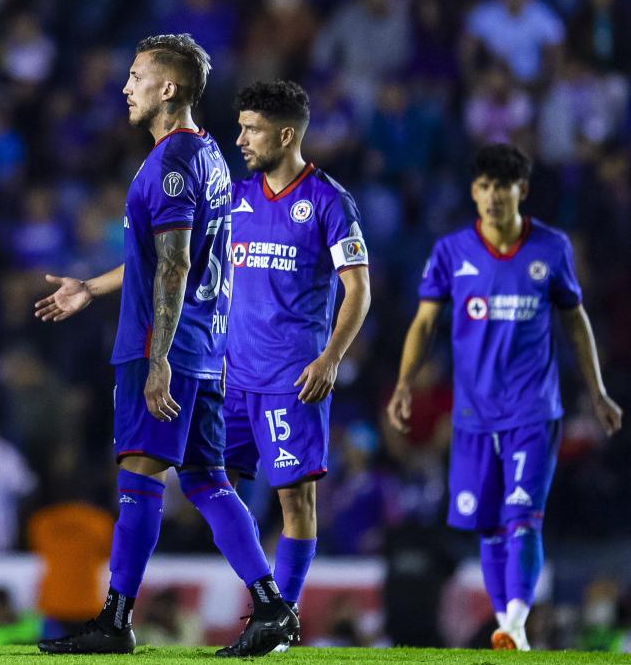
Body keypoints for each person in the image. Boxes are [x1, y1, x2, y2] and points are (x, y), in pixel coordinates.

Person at [33, 34, 298, 657]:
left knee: (140, 475)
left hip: (167, 346)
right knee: (208, 480)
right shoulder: (209, 157)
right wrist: (91, 289)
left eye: (136, 76)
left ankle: (116, 619)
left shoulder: (171, 163)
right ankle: (271, 606)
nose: (126, 86)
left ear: (168, 89)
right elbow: (158, 256)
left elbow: (174, 266)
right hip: (206, 348)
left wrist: (156, 361)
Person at [387, 142, 623, 651]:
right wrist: (405, 383)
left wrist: (597, 391)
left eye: (504, 187)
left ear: (523, 191)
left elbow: (576, 322)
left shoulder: (551, 249)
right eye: (486, 187)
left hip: (533, 411)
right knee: (489, 528)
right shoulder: (451, 251)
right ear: (474, 192)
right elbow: (425, 322)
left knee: (522, 518)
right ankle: (508, 624)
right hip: (472, 416)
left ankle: (515, 621)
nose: (494, 197)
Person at [223, 80, 371, 649]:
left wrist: (332, 357)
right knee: (208, 483)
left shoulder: (330, 201)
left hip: (293, 377)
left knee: (294, 499)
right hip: (231, 377)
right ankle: (269, 602)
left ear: (286, 135)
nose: (240, 139)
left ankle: (277, 624)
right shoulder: (236, 196)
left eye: (251, 129)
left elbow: (357, 288)